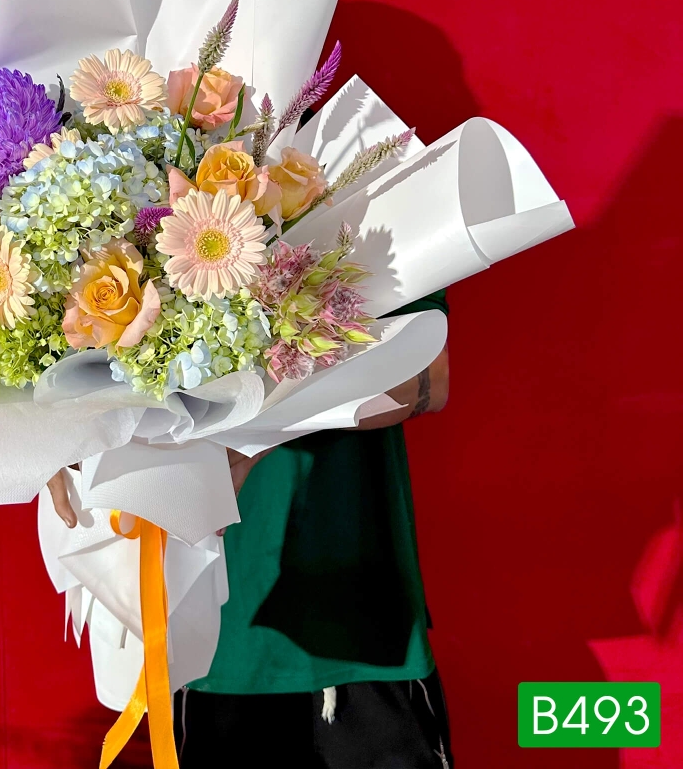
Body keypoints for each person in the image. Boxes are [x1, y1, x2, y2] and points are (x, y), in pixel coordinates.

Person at [46, 290, 452, 768]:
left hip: (355, 610)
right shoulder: (105, 251)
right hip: (204, 625)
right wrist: (51, 426)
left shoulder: (371, 237)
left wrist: (268, 422)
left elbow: (432, 377)